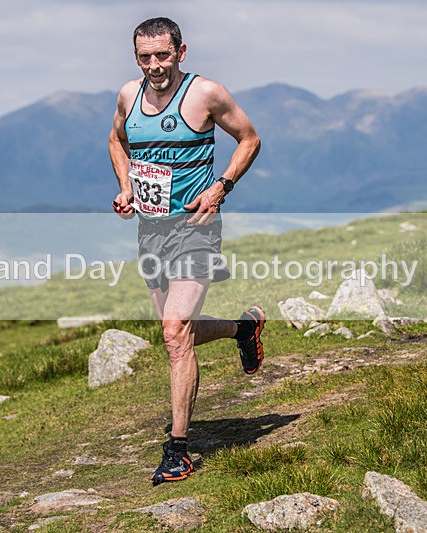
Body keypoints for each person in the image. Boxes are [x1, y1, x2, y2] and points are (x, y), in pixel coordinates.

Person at [108, 17, 264, 486]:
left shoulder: (206, 94)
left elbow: (250, 139)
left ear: (181, 51)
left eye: (162, 55)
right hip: (151, 231)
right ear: (136, 57)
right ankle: (244, 327)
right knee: (179, 332)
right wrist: (127, 187)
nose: (155, 65)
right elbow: (117, 140)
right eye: (145, 57)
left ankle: (178, 451)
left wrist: (221, 187)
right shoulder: (127, 96)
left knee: (176, 332)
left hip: (197, 228)